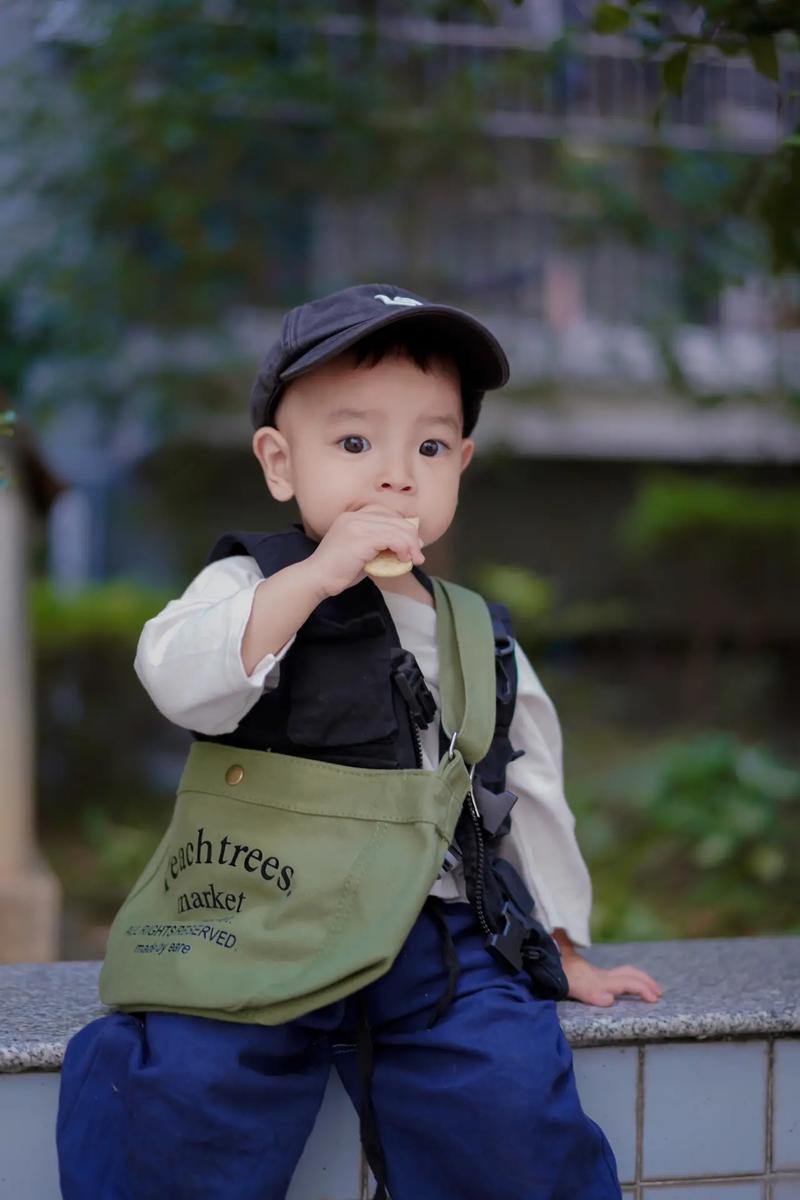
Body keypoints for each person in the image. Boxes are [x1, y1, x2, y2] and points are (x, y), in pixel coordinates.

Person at [56, 282, 661, 1200]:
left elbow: (523, 787)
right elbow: (180, 678)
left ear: (462, 461)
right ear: (279, 462)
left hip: (438, 929)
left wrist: (563, 945)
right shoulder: (248, 584)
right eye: (353, 442)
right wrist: (311, 580)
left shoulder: (472, 630)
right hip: (254, 913)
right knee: (181, 1086)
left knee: (505, 1095)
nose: (395, 474)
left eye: (428, 446)